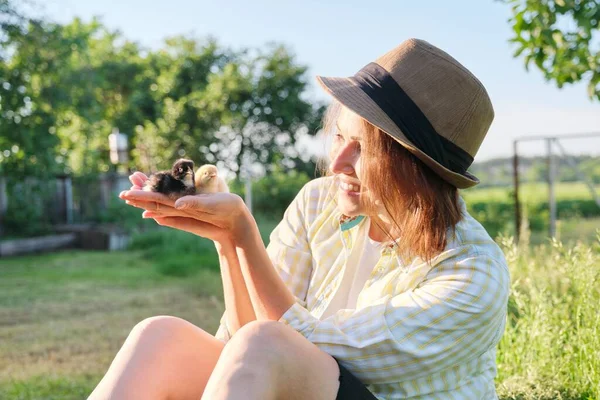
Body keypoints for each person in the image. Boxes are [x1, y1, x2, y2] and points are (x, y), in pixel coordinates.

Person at [90, 38, 510, 399]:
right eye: (340, 137)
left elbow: (305, 350)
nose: (337, 162)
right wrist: (227, 241)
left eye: (365, 151)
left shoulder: (471, 274)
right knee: (158, 336)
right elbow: (243, 343)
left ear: (418, 169)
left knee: (268, 342)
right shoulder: (318, 203)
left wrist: (246, 234)